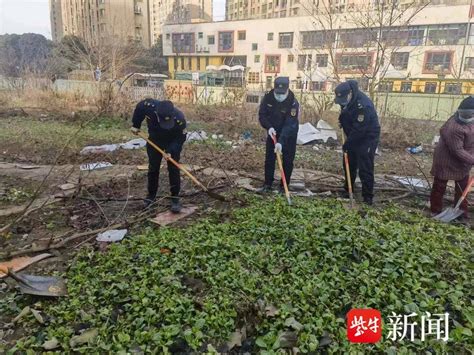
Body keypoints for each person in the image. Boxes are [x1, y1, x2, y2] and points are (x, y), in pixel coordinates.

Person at [131, 99, 187, 213]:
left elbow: (180, 138)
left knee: (173, 167)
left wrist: (171, 151)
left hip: (172, 141)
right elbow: (139, 109)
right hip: (154, 140)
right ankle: (151, 196)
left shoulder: (179, 118)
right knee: (153, 168)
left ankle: (175, 198)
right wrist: (136, 125)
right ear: (157, 113)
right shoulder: (149, 106)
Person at [335, 80, 380, 205]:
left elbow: (359, 130)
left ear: (349, 94)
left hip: (367, 136)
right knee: (348, 162)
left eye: (344, 99)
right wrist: (341, 121)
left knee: (365, 165)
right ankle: (348, 189)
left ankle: (367, 197)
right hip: (353, 135)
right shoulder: (348, 99)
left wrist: (347, 145)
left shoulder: (363, 106)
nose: (342, 102)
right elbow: (344, 111)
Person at [430, 96, 474, 220]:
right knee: (439, 186)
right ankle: (435, 211)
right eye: (464, 114)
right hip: (446, 159)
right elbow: (457, 150)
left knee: (463, 187)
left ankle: (461, 213)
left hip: (464, 160)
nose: (466, 117)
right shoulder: (454, 127)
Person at [257, 76, 300, 193]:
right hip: (273, 133)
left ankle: (283, 186)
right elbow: (262, 115)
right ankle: (267, 184)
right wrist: (268, 127)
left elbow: (290, 123)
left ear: (287, 89)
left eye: (282, 93)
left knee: (288, 160)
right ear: (274, 88)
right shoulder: (268, 97)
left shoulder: (293, 102)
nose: (280, 95)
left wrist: (281, 142)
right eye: (278, 92)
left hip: (289, 134)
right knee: (270, 158)